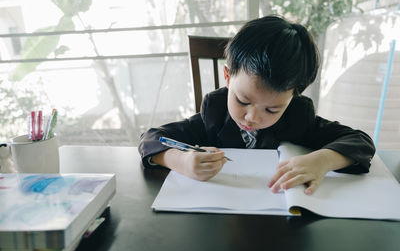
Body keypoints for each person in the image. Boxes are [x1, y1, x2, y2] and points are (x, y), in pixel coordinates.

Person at [138, 15, 375, 195]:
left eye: (272, 109)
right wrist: (179, 161)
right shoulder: (215, 112)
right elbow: (150, 138)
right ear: (228, 77)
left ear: (293, 96)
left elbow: (360, 142)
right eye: (242, 100)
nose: (251, 117)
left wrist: (322, 161)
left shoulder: (298, 117)